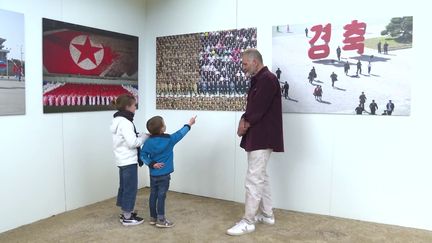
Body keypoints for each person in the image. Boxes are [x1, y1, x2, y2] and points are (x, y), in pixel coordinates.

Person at [227, 48, 284, 236]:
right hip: (259, 134)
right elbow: (253, 107)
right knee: (261, 176)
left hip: (263, 135)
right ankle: (267, 215)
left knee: (253, 178)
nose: (242, 66)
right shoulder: (260, 79)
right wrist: (244, 121)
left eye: (244, 63)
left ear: (255, 62)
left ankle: (248, 221)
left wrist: (244, 124)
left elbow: (257, 109)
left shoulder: (267, 79)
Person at [140, 115, 197, 228]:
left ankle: (153, 218)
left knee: (153, 195)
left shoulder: (148, 142)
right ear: (162, 129)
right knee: (161, 196)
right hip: (164, 175)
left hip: (153, 174)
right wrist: (190, 124)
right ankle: (161, 220)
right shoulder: (170, 139)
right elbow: (181, 133)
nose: (165, 125)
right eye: (164, 123)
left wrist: (152, 164)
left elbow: (142, 155)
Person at [110, 94, 147, 226]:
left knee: (125, 187)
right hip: (129, 160)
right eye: (134, 105)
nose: (135, 107)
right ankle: (127, 217)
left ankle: (125, 212)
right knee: (130, 188)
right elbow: (132, 143)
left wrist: (138, 135)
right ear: (127, 106)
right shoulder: (126, 122)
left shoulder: (118, 120)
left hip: (121, 159)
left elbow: (125, 139)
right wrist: (143, 138)